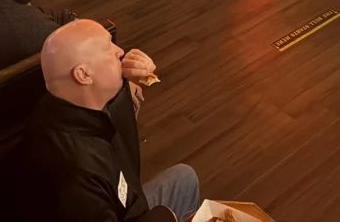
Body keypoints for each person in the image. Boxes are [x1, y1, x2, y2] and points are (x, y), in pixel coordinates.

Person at [14, 20, 200, 221]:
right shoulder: (76, 173)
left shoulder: (68, 105)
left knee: (184, 177)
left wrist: (124, 80)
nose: (120, 51)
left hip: (126, 205)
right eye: (108, 47)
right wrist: (164, 216)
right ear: (84, 74)